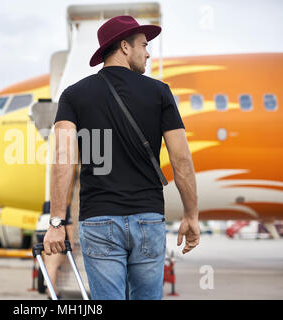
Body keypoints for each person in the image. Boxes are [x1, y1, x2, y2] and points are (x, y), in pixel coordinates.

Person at [43, 15, 200, 300]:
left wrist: (56, 223)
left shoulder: (74, 95)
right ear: (125, 47)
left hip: (99, 220)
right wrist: (191, 214)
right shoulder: (159, 93)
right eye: (144, 44)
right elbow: (182, 160)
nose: (148, 52)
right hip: (147, 219)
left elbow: (63, 158)